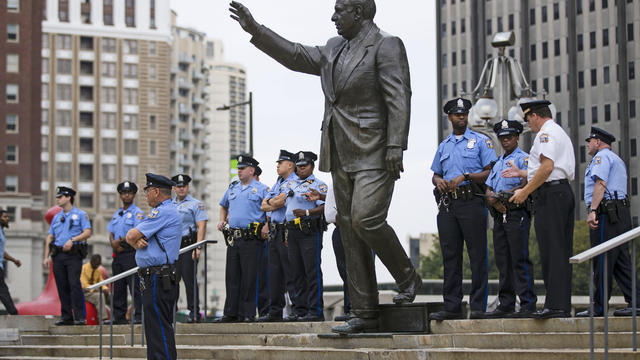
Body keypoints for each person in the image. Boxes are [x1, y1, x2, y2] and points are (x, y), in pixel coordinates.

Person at [230, 0, 421, 334]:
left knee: (366, 219)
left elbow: (399, 96)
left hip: (376, 150)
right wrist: (255, 30)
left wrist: (395, 145)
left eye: (340, 10)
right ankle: (364, 311)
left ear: (360, 13)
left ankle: (407, 275)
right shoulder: (334, 48)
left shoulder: (387, 45)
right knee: (348, 230)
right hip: (340, 151)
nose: (333, 17)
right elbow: (295, 54)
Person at [429, 98, 497, 321]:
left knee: (477, 255)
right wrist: (438, 180)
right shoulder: (444, 145)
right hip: (449, 205)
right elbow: (435, 173)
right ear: (449, 117)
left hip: (471, 202)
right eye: (457, 114)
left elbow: (490, 172)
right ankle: (452, 306)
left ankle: (478, 306)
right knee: (451, 256)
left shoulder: (480, 141)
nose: (461, 117)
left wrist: (466, 176)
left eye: (464, 114)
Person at [508, 100, 575, 319]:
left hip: (550, 196)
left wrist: (525, 191)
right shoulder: (558, 132)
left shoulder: (545, 134)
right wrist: (523, 173)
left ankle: (555, 305)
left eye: (528, 119)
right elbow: (549, 168)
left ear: (535, 116)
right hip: (560, 192)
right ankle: (560, 304)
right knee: (560, 251)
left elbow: (547, 167)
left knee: (552, 252)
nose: (529, 124)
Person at [576, 127, 640, 317]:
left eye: (590, 141)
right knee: (620, 260)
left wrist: (593, 210)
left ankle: (599, 306)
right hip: (619, 213)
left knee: (602, 258)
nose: (588, 144)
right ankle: (636, 301)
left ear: (598, 141)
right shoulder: (616, 158)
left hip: (606, 213)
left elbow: (600, 183)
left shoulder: (601, 157)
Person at [484, 120, 537, 318]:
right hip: (499, 214)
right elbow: (489, 187)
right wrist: (493, 198)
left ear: (517, 137)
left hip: (516, 212)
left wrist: (505, 195)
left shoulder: (524, 159)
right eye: (502, 138)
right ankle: (506, 303)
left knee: (519, 258)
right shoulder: (498, 162)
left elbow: (527, 183)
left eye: (509, 137)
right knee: (503, 261)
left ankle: (527, 303)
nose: (505, 141)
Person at [126, 173, 181, 360]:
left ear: (156, 192)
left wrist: (134, 240)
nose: (146, 195)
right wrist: (135, 241)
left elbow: (131, 235)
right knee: (154, 328)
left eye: (147, 191)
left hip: (159, 277)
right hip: (155, 277)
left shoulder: (162, 212)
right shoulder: (163, 212)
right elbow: (135, 238)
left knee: (159, 327)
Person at [216, 155, 269, 322]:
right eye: (238, 168)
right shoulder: (232, 188)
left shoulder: (262, 189)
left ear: (251, 170)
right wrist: (222, 220)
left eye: (242, 168)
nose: (239, 171)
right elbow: (223, 205)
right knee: (232, 276)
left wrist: (267, 226)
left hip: (252, 239)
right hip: (234, 237)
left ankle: (247, 313)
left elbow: (270, 210)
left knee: (250, 277)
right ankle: (231, 312)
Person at [283, 151, 327, 322]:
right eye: (299, 166)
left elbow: (325, 206)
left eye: (304, 166)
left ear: (312, 166)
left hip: (308, 230)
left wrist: (307, 211)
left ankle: (315, 310)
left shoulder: (319, 185)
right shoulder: (291, 185)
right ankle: (299, 309)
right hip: (292, 230)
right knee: (296, 272)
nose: (301, 169)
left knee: (311, 271)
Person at [258, 150, 299, 322]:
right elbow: (263, 206)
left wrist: (272, 203)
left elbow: (281, 201)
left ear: (290, 164)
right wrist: (273, 203)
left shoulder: (295, 182)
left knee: (291, 273)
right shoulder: (277, 183)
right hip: (274, 232)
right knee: (274, 274)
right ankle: (275, 311)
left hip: (286, 231)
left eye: (280, 163)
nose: (277, 165)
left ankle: (297, 309)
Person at [44, 186, 92, 326]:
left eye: (60, 197)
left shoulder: (81, 215)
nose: (58, 200)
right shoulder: (57, 217)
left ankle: (79, 317)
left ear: (68, 197)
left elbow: (87, 232)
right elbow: (50, 237)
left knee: (74, 284)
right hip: (58, 255)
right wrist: (46, 257)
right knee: (62, 286)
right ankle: (66, 317)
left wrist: (72, 240)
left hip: (73, 255)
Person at [309, 184, 352, 321]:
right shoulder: (338, 175)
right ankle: (350, 308)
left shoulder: (354, 174)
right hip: (339, 229)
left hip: (352, 229)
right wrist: (321, 197)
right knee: (345, 272)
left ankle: (358, 310)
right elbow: (338, 198)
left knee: (355, 272)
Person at [171, 174, 208, 323]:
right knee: (171, 280)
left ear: (188, 187)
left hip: (188, 246)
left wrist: (197, 247)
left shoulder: (195, 204)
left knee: (189, 280)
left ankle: (194, 312)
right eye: (178, 186)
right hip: (172, 247)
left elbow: (202, 225)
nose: (181, 189)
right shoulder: (168, 205)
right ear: (174, 188)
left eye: (184, 186)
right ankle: (171, 311)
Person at [106, 181, 144, 325]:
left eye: (129, 193)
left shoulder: (137, 213)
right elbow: (111, 232)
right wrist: (112, 242)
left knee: (135, 286)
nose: (126, 195)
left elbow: (138, 232)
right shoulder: (117, 214)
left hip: (130, 253)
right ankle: (119, 316)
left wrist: (120, 241)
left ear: (133, 195)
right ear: (120, 195)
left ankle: (139, 314)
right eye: (123, 193)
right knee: (119, 287)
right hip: (118, 255)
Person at [0, 209, 20, 315]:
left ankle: (13, 312)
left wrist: (14, 260)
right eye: (5, 217)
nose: (8, 219)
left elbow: (2, 252)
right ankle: (13, 313)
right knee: (3, 290)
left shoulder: (1, 232)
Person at [80, 254, 109, 320]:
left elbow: (101, 281)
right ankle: (103, 318)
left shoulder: (98, 270)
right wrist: (95, 289)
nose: (97, 266)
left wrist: (105, 289)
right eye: (96, 264)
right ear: (91, 262)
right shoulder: (83, 268)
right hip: (85, 292)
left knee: (110, 296)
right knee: (99, 296)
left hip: (95, 291)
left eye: (98, 265)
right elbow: (83, 284)